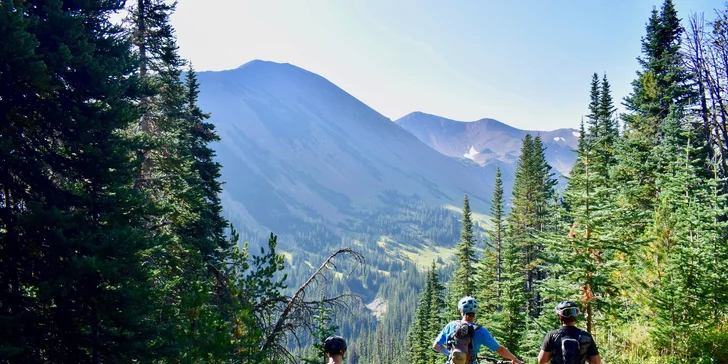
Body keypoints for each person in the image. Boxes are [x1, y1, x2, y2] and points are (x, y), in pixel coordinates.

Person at [433, 296, 524, 364]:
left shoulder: (451, 325)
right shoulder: (480, 331)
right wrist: (515, 359)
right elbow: (499, 349)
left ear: (461, 311)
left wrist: (450, 354)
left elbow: (436, 346)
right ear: (475, 312)